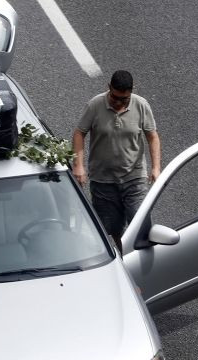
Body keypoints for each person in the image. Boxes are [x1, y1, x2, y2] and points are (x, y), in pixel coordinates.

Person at [72, 70, 161, 251]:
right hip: (103, 180)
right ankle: (122, 262)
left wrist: (156, 167)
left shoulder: (141, 105)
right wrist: (78, 166)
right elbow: (79, 133)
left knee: (141, 226)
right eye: (115, 97)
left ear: (132, 91)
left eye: (124, 99)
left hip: (134, 177)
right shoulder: (95, 105)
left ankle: (144, 266)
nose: (119, 103)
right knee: (110, 230)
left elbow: (152, 136)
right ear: (109, 88)